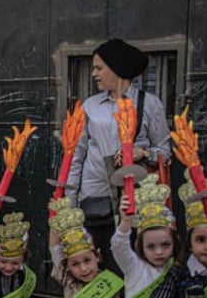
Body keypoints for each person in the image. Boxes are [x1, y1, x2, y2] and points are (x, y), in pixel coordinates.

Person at [67, 38, 172, 274]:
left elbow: (166, 151)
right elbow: (76, 155)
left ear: (118, 69)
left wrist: (143, 152)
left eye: (99, 67)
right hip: (95, 196)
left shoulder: (149, 104)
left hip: (136, 198)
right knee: (97, 261)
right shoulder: (89, 107)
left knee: (131, 262)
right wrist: (69, 201)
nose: (94, 73)